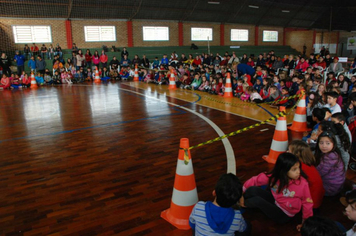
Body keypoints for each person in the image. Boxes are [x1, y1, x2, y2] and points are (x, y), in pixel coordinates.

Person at [241, 153, 313, 230]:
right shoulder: (275, 177)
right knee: (253, 189)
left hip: (284, 214)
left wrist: (305, 223)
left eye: (298, 168)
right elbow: (256, 179)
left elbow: (307, 203)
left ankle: (240, 204)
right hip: (277, 201)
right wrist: (241, 194)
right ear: (283, 170)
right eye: (294, 169)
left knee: (257, 201)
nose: (298, 172)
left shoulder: (302, 184)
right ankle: (241, 201)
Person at [288, 140, 325, 210]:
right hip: (317, 200)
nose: (287, 152)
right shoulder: (307, 164)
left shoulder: (299, 168)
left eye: (289, 151)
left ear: (296, 154)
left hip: (310, 204)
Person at [315, 132, 345, 196]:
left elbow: (318, 173)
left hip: (330, 188)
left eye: (327, 143)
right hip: (336, 185)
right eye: (321, 143)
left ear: (333, 144)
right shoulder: (334, 153)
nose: (324, 146)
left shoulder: (330, 157)